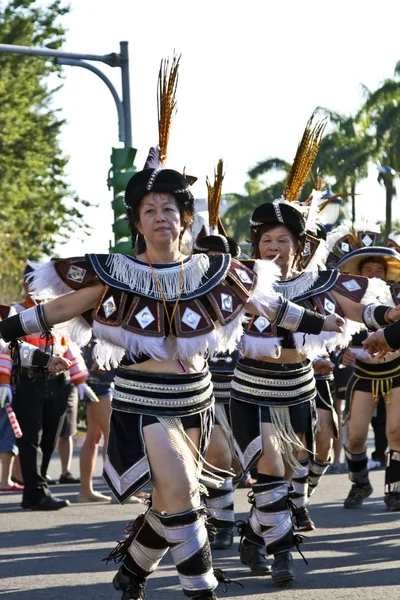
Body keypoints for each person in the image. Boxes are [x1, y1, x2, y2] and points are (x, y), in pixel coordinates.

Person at [0, 76, 342, 600]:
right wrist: (7, 327)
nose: (162, 218)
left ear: (186, 221)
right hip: (143, 404)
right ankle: (199, 588)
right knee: (182, 490)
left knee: (169, 503)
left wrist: (334, 324)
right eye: (150, 210)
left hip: (197, 403)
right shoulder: (114, 273)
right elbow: (59, 308)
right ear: (137, 222)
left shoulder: (215, 272)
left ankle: (133, 571)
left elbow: (270, 307)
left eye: (170, 211)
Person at [229, 114, 400, 587]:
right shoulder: (241, 282)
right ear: (256, 245)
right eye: (266, 240)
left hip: (300, 386)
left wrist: (390, 321)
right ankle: (283, 553)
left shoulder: (322, 281)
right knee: (268, 466)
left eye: (283, 240)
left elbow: (362, 309)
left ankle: (251, 536)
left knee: (291, 470)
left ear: (301, 246)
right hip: (250, 385)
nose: (274, 247)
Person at [9, 266, 97, 510]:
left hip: (58, 381)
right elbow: (11, 347)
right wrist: (44, 360)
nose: (36, 287)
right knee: (31, 440)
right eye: (31, 282)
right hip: (28, 380)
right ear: (25, 285)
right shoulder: (15, 312)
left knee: (49, 438)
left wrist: (80, 380)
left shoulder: (55, 312)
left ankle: (37, 489)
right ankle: (35, 492)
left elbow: (68, 346)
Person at [332, 237, 400, 511]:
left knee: (396, 432)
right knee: (356, 436)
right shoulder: (348, 301)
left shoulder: (398, 300)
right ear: (359, 274)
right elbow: (329, 334)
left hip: (396, 373)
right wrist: (342, 354)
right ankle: (360, 482)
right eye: (368, 270)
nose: (374, 275)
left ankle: (395, 490)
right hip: (362, 375)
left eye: (379, 271)